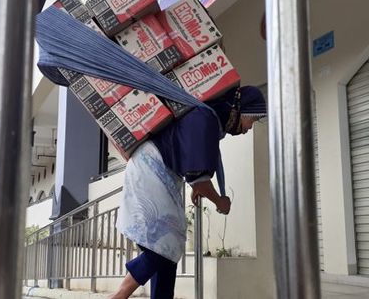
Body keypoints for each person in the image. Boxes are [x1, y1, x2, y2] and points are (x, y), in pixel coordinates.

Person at [110, 86, 267, 299]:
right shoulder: (206, 118)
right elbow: (200, 180)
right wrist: (220, 201)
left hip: (156, 170)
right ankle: (118, 295)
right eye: (253, 120)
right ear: (241, 111)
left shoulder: (208, 117)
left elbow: (195, 172)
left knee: (168, 253)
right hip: (151, 170)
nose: (249, 128)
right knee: (162, 246)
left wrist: (198, 185)